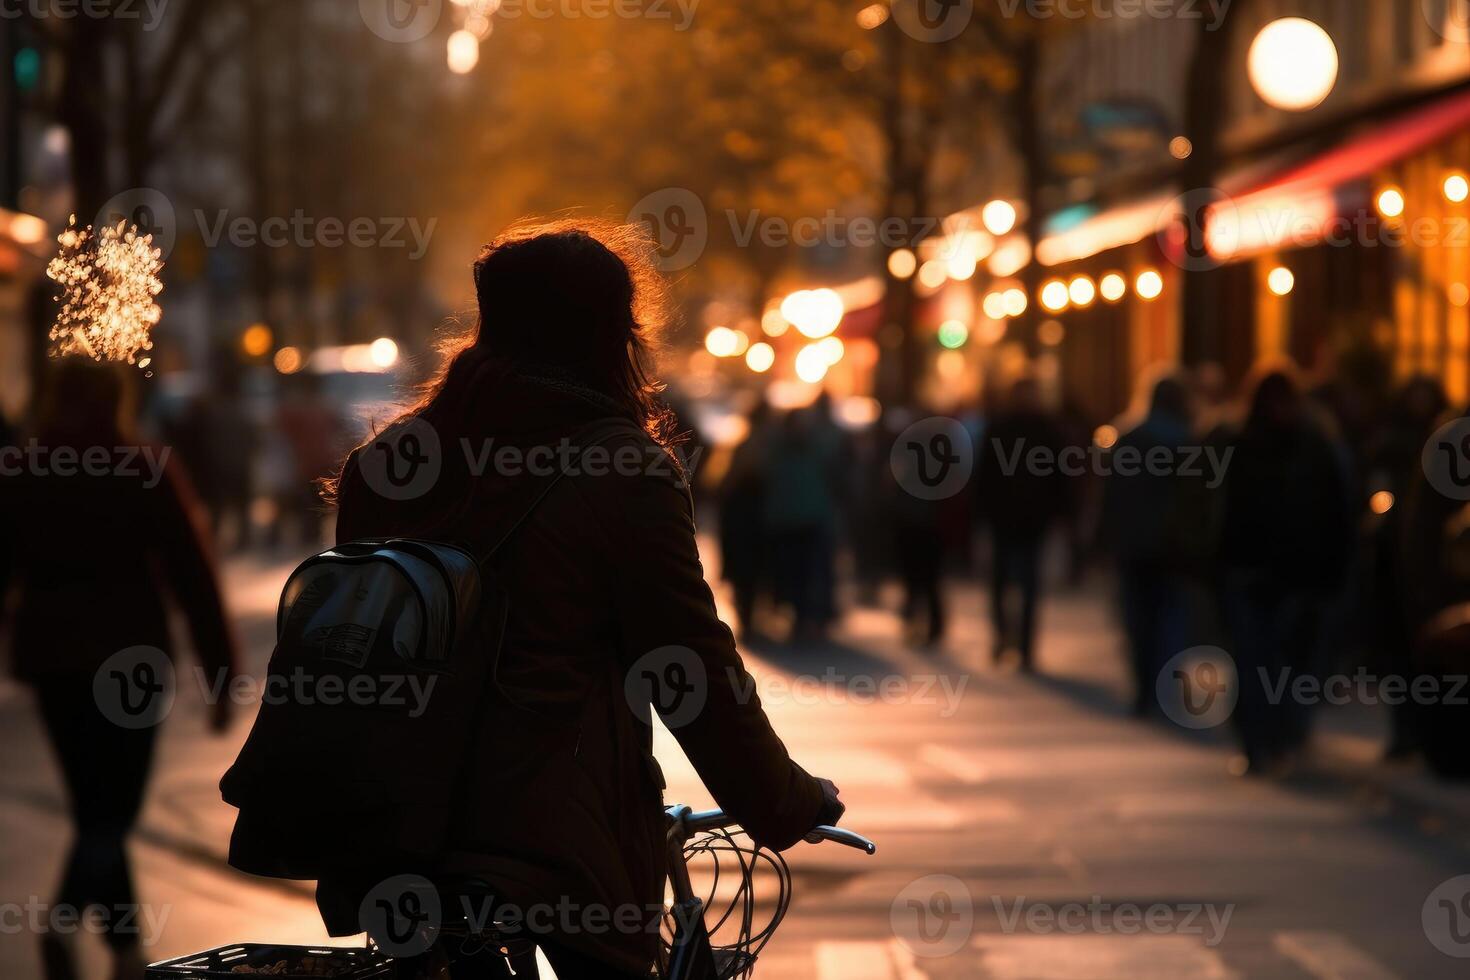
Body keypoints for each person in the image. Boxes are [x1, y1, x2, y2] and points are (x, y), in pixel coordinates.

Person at [321, 220, 844, 979]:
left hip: (396, 832)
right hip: (555, 845)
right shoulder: (623, 467)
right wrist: (783, 799)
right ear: (609, 334)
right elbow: (687, 665)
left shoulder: (388, 462)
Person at [0, 358, 239, 980]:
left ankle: (126, 950)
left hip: (54, 658)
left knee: (93, 807)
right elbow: (192, 573)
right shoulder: (144, 468)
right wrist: (220, 669)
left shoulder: (26, 469)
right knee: (113, 810)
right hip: (132, 658)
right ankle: (66, 922)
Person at [1217, 367, 1352, 775]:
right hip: (1253, 574)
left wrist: (1332, 572)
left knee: (1290, 663)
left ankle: (1282, 738)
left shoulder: (1314, 449)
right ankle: (1260, 741)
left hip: (1297, 575)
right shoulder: (1240, 446)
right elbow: (1224, 515)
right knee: (1255, 662)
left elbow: (1336, 516)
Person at [1100, 374, 1195, 716]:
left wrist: (1104, 536)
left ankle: (1144, 686)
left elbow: (1110, 494)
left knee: (1138, 616)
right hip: (1171, 544)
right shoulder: (1187, 440)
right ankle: (1164, 684)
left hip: (1134, 541)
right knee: (1171, 614)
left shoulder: (1128, 437)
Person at [977, 377, 1068, 670]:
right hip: (1007, 517)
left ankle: (1023, 645)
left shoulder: (1043, 429)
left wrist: (1060, 512)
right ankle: (1006, 637)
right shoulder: (1004, 427)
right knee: (1004, 581)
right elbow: (984, 475)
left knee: (1025, 582)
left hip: (1030, 518)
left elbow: (1060, 475)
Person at [717, 400, 776, 640]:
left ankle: (748, 616)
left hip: (743, 518)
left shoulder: (743, 447)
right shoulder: (767, 448)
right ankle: (749, 616)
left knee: (746, 570)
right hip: (755, 518)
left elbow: (724, 482)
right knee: (752, 570)